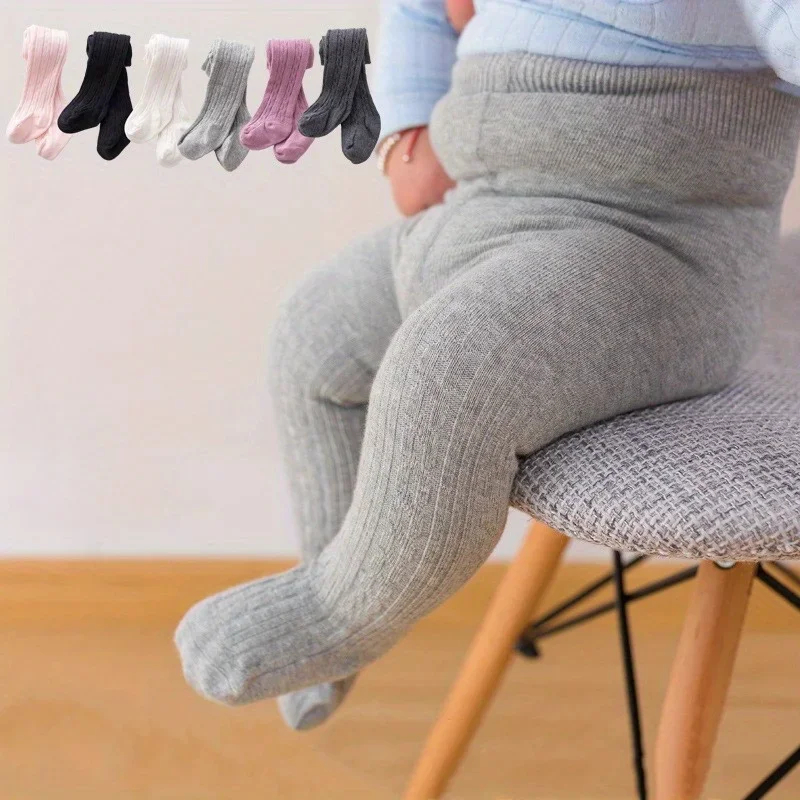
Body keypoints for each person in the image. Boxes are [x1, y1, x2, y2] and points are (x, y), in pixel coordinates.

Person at [176, 0, 800, 732]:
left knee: (448, 376)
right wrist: (410, 125)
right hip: (478, 211)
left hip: (652, 247)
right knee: (310, 334)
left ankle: (337, 612)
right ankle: (337, 572)